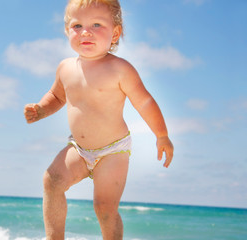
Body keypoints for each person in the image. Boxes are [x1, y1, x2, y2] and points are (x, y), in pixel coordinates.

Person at [24, 0, 174, 239]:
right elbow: (56, 96)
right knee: (51, 181)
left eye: (96, 24)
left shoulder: (120, 69)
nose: (86, 31)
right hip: (79, 148)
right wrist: (41, 109)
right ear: (66, 31)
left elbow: (144, 102)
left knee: (104, 208)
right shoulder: (65, 68)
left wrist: (162, 135)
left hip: (113, 151)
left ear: (115, 33)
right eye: (77, 25)